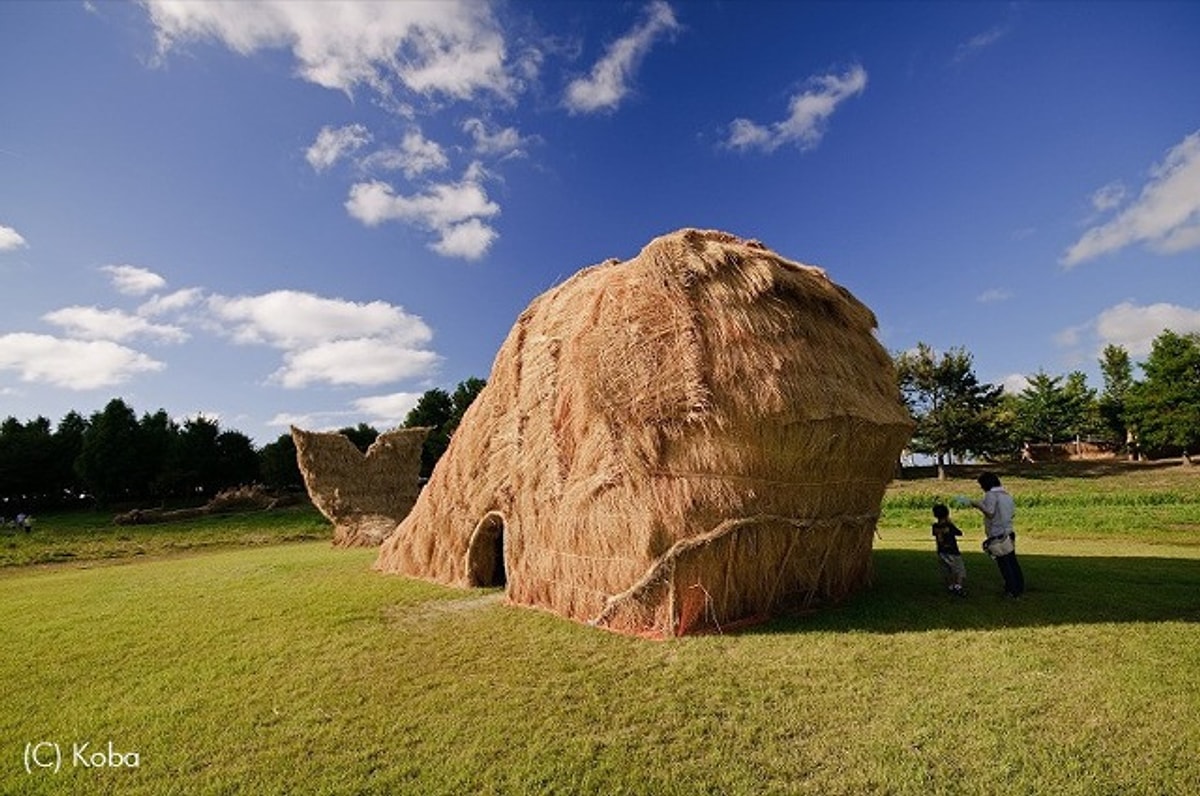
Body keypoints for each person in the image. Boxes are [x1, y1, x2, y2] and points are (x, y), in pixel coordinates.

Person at [956, 472, 1024, 598]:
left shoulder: (990, 495)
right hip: (1009, 532)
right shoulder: (1007, 495)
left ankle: (1011, 590)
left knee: (1004, 564)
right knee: (1012, 561)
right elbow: (1012, 513)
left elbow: (990, 513)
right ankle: (1018, 586)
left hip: (997, 534)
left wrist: (976, 504)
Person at [931, 503, 967, 597]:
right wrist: (950, 523)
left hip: (941, 551)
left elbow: (936, 534)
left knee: (947, 570)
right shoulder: (949, 526)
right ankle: (958, 587)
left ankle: (950, 586)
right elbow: (959, 533)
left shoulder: (935, 526)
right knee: (959, 570)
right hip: (953, 551)